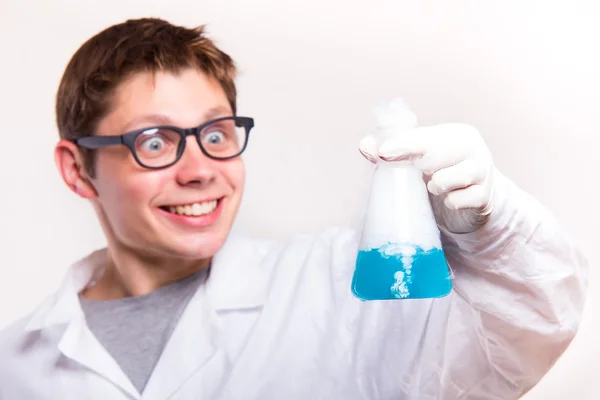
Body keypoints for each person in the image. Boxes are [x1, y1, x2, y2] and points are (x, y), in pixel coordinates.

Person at [0, 17, 588, 400]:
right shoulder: (17, 365)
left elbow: (516, 346)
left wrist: (493, 230)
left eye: (217, 133)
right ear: (78, 169)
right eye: (154, 142)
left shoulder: (336, 288)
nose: (201, 167)